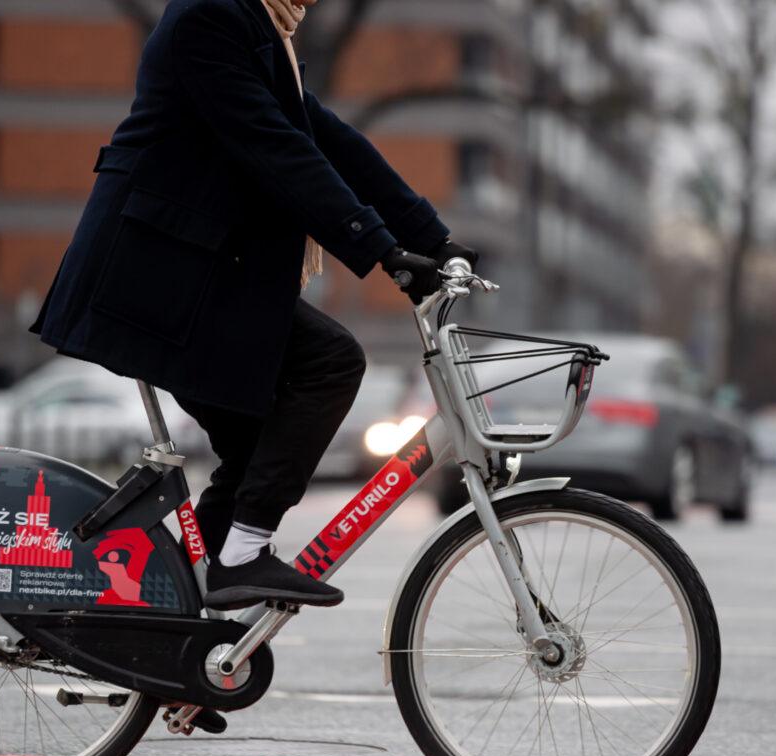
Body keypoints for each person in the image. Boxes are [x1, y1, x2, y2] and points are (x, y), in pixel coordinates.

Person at [30, 0, 476, 611]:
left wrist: (430, 237)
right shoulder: (208, 17)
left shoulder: (261, 29)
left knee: (258, 445)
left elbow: (325, 138)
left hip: (194, 270)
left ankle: (185, 648)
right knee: (330, 360)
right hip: (155, 275)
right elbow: (270, 144)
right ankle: (242, 556)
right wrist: (381, 250)